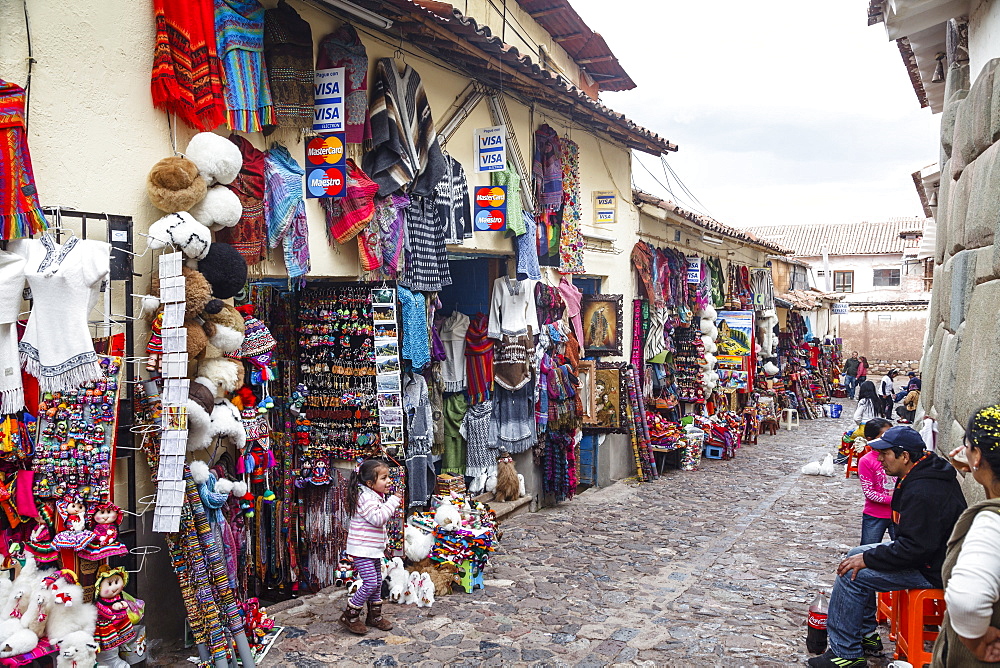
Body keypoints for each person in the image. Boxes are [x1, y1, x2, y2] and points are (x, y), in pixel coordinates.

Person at [807, 426, 967, 668]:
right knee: (853, 556)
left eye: (885, 454)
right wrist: (867, 556)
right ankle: (863, 634)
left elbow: (913, 549)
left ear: (905, 456)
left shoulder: (924, 490)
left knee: (852, 575)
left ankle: (846, 654)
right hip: (929, 554)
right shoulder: (920, 474)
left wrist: (870, 559)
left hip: (934, 567)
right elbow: (914, 542)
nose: (880, 459)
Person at [933, 405, 1000, 665]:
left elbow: (968, 601)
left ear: (979, 455)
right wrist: (973, 461)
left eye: (969, 445)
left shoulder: (991, 523)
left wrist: (976, 641)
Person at [339, 459, 402, 635]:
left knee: (376, 581)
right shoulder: (365, 497)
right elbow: (377, 519)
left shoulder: (373, 495)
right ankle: (350, 615)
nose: (389, 481)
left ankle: (375, 616)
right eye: (384, 478)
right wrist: (393, 502)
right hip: (361, 549)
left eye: (388, 477)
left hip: (371, 549)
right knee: (371, 582)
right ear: (369, 483)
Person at [857, 419, 894, 545]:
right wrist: (896, 499)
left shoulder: (897, 456)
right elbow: (869, 492)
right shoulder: (866, 461)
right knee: (867, 550)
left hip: (898, 514)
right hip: (875, 514)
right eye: (884, 436)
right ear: (870, 439)